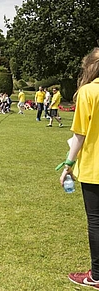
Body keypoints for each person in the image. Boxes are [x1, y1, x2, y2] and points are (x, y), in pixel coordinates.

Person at [60, 48, 99, 289]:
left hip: (95, 167)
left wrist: (68, 164)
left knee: (96, 221)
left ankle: (96, 275)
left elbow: (80, 135)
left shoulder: (89, 92)